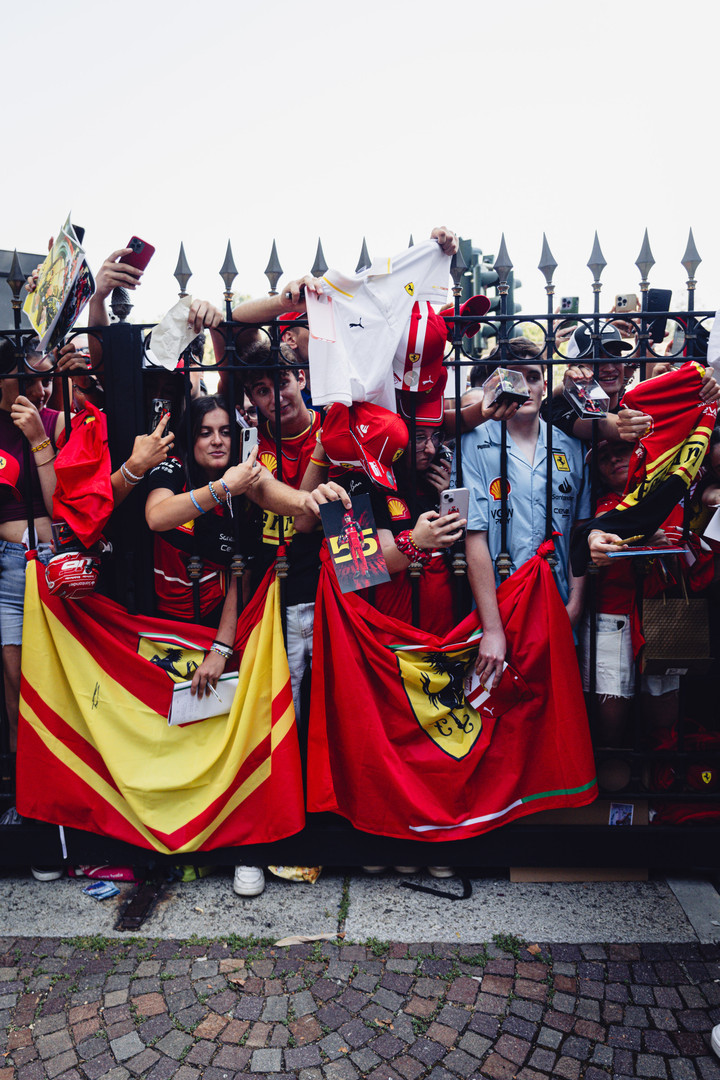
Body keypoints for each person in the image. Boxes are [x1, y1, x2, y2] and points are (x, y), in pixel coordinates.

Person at [462, 356, 590, 685]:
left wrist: (574, 604)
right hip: (497, 607)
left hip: (557, 605)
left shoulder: (571, 446)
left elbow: (580, 530)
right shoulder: (473, 441)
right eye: (513, 380)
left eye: (533, 377)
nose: (525, 388)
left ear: (545, 385)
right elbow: (474, 534)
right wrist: (491, 629)